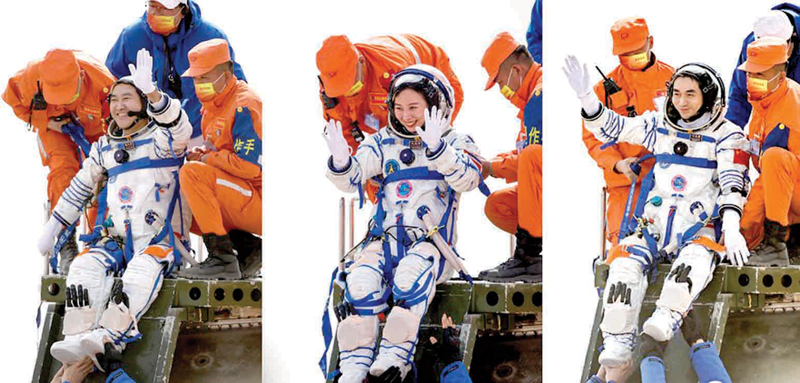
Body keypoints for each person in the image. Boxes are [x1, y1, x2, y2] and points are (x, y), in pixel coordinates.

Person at [564, 56, 750, 377]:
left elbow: (734, 183)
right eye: (676, 93)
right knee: (622, 265)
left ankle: (666, 317)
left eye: (690, 94)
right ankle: (618, 342)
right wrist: (586, 98)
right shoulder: (660, 125)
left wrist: (731, 227)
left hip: (697, 228)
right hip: (654, 225)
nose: (681, 102)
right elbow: (614, 127)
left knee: (690, 268)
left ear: (708, 97)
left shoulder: (728, 136)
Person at [322, 64, 483, 382]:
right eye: (399, 108)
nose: (406, 116)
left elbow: (469, 178)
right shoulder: (382, 142)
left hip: (432, 245)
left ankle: (394, 362)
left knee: (410, 281)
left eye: (414, 108)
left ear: (435, 105)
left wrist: (439, 149)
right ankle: (354, 369)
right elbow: (353, 177)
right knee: (360, 283)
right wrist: (341, 162)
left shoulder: (456, 141)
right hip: (386, 241)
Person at [36, 49, 193, 369]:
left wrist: (154, 93)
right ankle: (77, 336)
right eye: (114, 100)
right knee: (83, 268)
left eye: (127, 98)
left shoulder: (162, 141)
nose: (119, 106)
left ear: (143, 104)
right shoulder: (105, 147)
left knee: (138, 275)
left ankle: (111, 336)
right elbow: (79, 188)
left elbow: (180, 128)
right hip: (116, 240)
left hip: (158, 243)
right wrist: (54, 226)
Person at [3, 49, 116, 274]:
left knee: (106, 178)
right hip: (54, 127)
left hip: (97, 130)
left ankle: (100, 241)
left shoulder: (105, 85)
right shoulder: (28, 78)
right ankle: (66, 242)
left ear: (81, 77)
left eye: (68, 96)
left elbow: (118, 122)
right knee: (63, 172)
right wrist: (46, 122)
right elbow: (14, 102)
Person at [583, 17, 674, 247]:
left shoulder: (675, 81)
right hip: (626, 183)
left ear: (651, 42)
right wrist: (617, 163)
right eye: (625, 55)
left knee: (673, 243)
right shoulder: (601, 91)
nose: (632, 59)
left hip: (670, 184)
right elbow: (592, 138)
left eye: (637, 52)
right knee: (623, 247)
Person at [176, 39, 262, 280]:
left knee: (192, 174)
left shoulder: (244, 104)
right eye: (196, 78)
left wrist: (208, 159)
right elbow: (220, 151)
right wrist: (204, 154)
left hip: (258, 196)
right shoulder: (211, 105)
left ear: (227, 72)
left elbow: (249, 166)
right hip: (238, 193)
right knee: (179, 206)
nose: (199, 84)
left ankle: (222, 259)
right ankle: (249, 249)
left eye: (205, 77)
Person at [106, 0, 246, 142]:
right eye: (153, 6)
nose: (156, 13)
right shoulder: (131, 36)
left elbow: (235, 86)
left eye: (165, 8)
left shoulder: (210, 37)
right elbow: (111, 81)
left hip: (200, 131)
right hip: (148, 134)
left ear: (183, 10)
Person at [316, 34, 464, 152]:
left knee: (429, 145)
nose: (347, 94)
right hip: (381, 109)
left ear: (361, 62)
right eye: (341, 89)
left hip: (434, 68)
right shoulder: (330, 87)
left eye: (351, 86)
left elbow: (411, 132)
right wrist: (354, 168)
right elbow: (342, 132)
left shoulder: (393, 72)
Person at [476, 32, 543, 283]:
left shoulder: (540, 97)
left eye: (501, 83)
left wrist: (493, 168)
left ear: (516, 71)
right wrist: (490, 164)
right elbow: (525, 155)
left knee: (532, 156)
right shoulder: (531, 103)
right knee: (498, 204)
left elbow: (534, 159)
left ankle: (529, 257)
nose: (503, 91)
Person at [734, 37, 800, 266]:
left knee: (774, 158)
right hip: (791, 193)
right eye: (750, 74)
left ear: (780, 76)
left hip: (793, 195)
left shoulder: (789, 110)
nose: (752, 80)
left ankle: (775, 246)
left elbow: (770, 176)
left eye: (760, 75)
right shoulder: (765, 101)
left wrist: (743, 232)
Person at [727, 5, 800, 129]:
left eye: (778, 49)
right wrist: (732, 133)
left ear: (793, 37)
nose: (773, 60)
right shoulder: (752, 48)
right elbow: (740, 97)